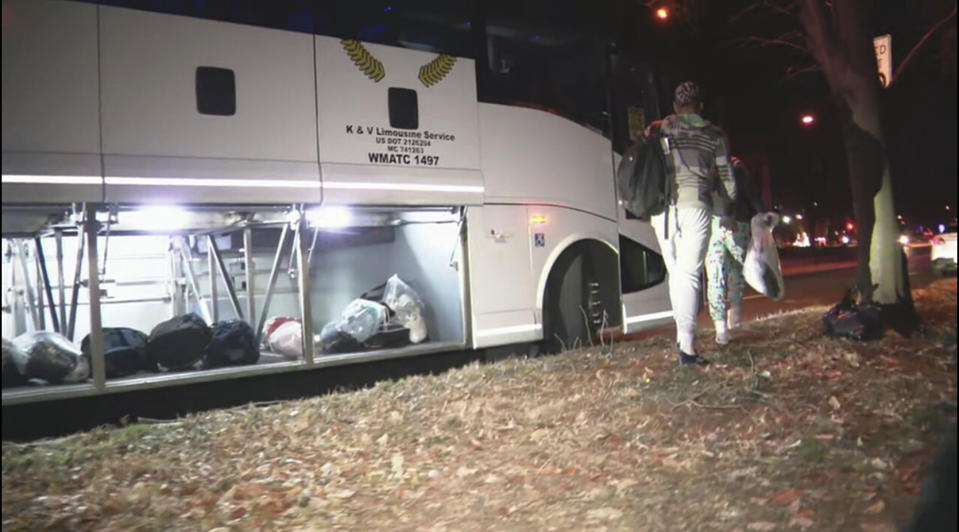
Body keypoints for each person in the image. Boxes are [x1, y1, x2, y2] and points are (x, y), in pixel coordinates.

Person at [648, 81, 736, 366]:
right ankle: (686, 346)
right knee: (689, 275)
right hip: (695, 206)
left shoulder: (660, 128)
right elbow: (727, 178)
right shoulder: (715, 135)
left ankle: (682, 336)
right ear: (701, 106)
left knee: (677, 274)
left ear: (675, 106)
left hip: (662, 211)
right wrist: (728, 208)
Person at [706, 156, 767, 345]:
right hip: (736, 223)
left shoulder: (704, 167)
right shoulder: (735, 166)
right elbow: (753, 193)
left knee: (715, 275)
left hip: (711, 225)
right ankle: (735, 317)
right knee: (738, 271)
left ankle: (720, 328)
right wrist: (763, 214)